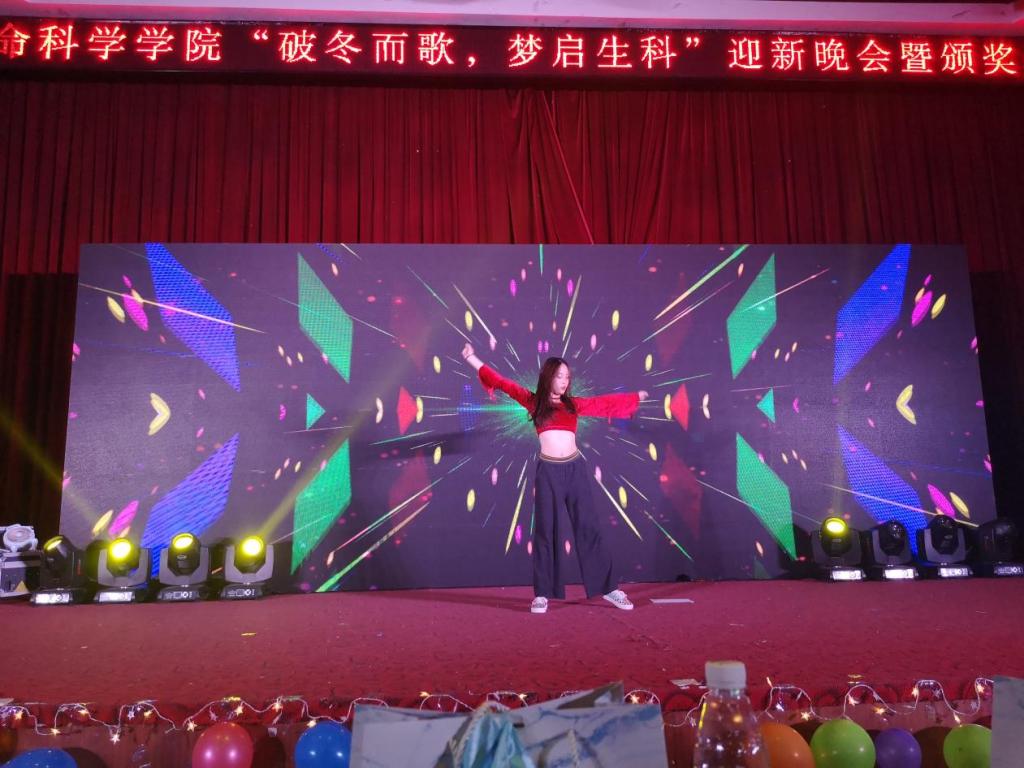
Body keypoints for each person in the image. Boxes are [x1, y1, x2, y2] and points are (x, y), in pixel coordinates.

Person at [461, 342, 648, 614]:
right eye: (559, 376)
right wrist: (472, 359)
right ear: (548, 376)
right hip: (548, 472)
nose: (564, 381)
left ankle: (609, 589)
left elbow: (603, 403)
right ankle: (542, 594)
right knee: (545, 531)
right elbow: (502, 382)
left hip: (575, 469)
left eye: (567, 377)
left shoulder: (573, 405)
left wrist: (634, 399)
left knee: (588, 528)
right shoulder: (533, 401)